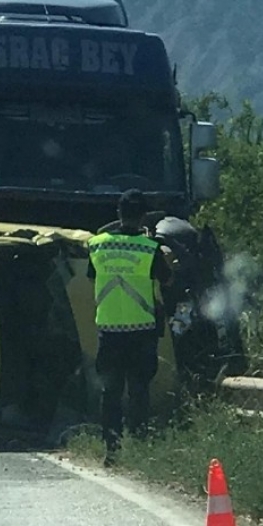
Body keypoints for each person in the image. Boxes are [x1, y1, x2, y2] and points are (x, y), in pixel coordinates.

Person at [87, 189, 173, 465]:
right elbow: (167, 280)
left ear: (118, 213)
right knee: (139, 389)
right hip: (141, 330)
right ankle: (138, 446)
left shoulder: (98, 244)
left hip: (109, 331)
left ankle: (111, 450)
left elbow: (92, 276)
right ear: (144, 216)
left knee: (110, 391)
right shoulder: (150, 248)